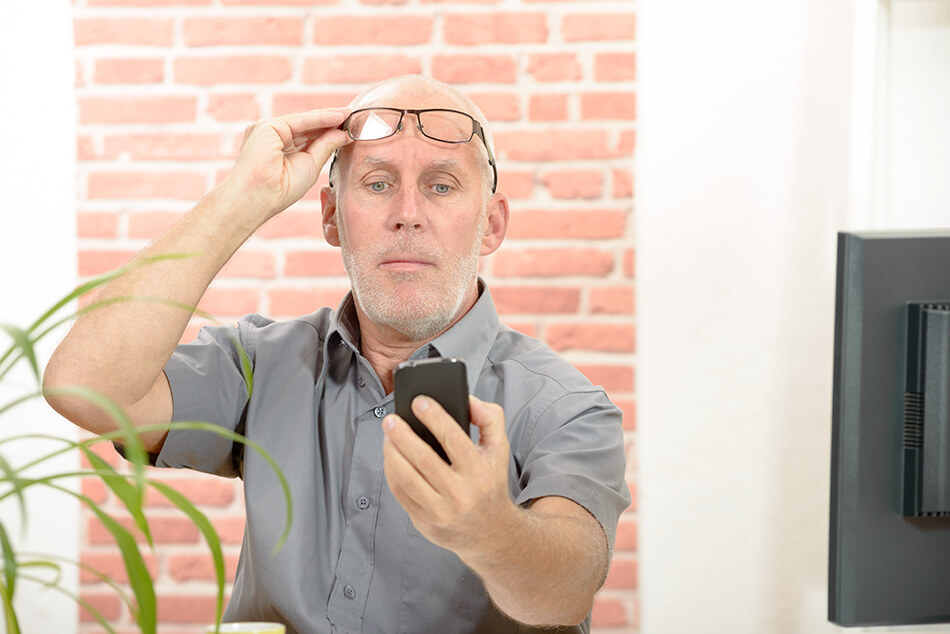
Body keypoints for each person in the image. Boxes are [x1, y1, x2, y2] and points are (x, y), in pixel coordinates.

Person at [44, 75, 630, 633]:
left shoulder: (565, 407)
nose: (407, 212)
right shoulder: (260, 363)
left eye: (441, 185)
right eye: (377, 183)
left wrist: (488, 529)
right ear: (330, 215)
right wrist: (243, 197)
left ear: (490, 226)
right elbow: (86, 387)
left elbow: (567, 591)